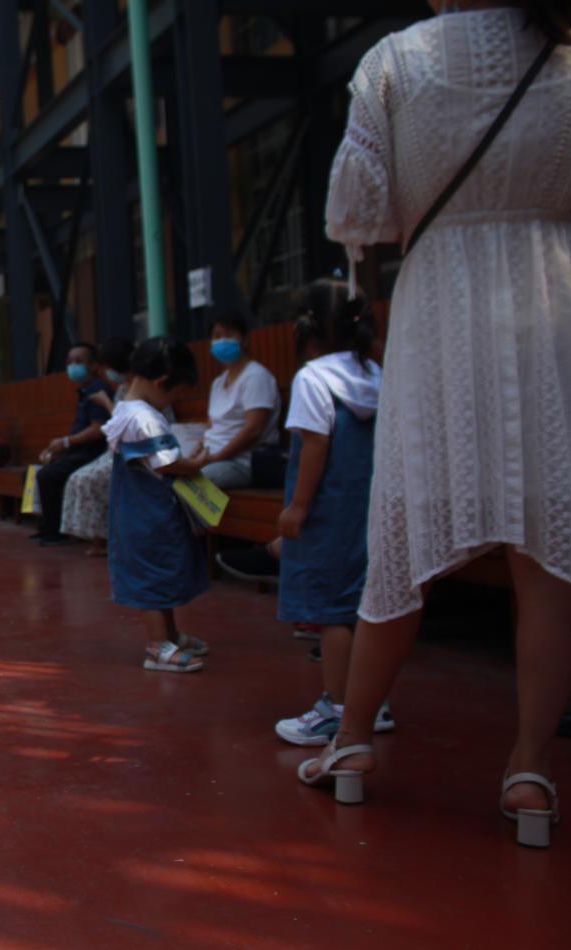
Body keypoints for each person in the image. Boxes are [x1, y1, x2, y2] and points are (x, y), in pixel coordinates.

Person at [297, 2, 571, 850]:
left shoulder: (394, 62)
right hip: (551, 303)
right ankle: (530, 770)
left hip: (441, 308)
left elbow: (356, 212)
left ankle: (352, 742)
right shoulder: (564, 52)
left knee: (399, 543)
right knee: (549, 562)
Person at [272, 280, 395, 745]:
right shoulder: (375, 373)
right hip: (370, 504)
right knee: (363, 604)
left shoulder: (313, 377)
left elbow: (315, 443)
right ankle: (372, 705)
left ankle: (338, 710)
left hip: (327, 508)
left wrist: (298, 506)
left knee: (331, 612)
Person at [102, 337, 211, 673]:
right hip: (148, 510)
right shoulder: (144, 418)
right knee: (151, 576)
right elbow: (167, 463)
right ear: (162, 383)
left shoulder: (126, 409)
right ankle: (156, 646)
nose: (173, 402)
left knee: (159, 571)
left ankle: (170, 635)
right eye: (175, 395)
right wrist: (194, 464)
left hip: (138, 506)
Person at [31, 342, 115, 546]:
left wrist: (66, 442)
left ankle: (56, 532)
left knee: (48, 475)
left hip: (92, 453)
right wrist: (58, 448)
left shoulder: (97, 390)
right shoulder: (85, 390)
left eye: (79, 361)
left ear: (94, 365)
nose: (72, 366)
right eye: (69, 362)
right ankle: (46, 526)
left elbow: (98, 429)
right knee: (35, 471)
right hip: (77, 451)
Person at [60, 337, 135, 556]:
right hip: (115, 450)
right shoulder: (122, 389)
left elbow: (128, 424)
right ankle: (92, 536)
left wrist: (105, 402)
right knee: (76, 477)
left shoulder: (137, 388)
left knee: (89, 479)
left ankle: (102, 539)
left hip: (133, 450)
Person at [198, 310, 280, 489]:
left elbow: (252, 430)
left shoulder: (256, 376)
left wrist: (214, 458)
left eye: (229, 335)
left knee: (193, 485)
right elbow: (212, 426)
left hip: (242, 462)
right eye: (217, 336)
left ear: (245, 340)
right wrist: (196, 454)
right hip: (211, 457)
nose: (222, 340)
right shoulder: (218, 383)